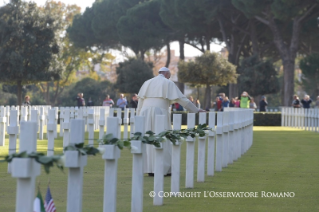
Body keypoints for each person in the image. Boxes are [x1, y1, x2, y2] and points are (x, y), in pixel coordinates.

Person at [137, 67, 205, 176]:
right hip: (160, 112)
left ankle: (150, 169)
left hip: (144, 113)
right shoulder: (168, 83)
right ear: (167, 74)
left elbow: (140, 101)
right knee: (163, 138)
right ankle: (163, 169)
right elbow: (182, 99)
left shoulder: (147, 82)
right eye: (170, 75)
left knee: (148, 139)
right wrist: (195, 110)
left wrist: (138, 117)